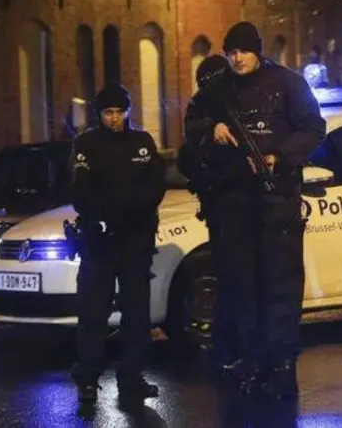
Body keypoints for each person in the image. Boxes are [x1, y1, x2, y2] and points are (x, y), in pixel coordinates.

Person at [179, 21, 326, 399]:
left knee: (280, 286)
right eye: (231, 52)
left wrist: (280, 156)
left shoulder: (288, 84)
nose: (237, 58)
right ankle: (253, 360)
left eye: (243, 51)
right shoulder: (217, 89)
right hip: (235, 202)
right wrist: (211, 129)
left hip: (277, 200)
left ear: (257, 51)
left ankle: (282, 365)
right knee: (244, 287)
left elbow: (313, 128)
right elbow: (192, 124)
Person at [69, 82, 167, 403]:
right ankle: (88, 378)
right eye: (108, 112)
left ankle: (132, 378)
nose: (114, 118)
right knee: (93, 313)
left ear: (128, 112)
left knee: (136, 314)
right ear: (98, 114)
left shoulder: (142, 143)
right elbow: (81, 191)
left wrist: (129, 215)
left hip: (135, 241)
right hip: (99, 242)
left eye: (119, 111)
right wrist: (106, 217)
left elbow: (155, 187)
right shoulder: (86, 144)